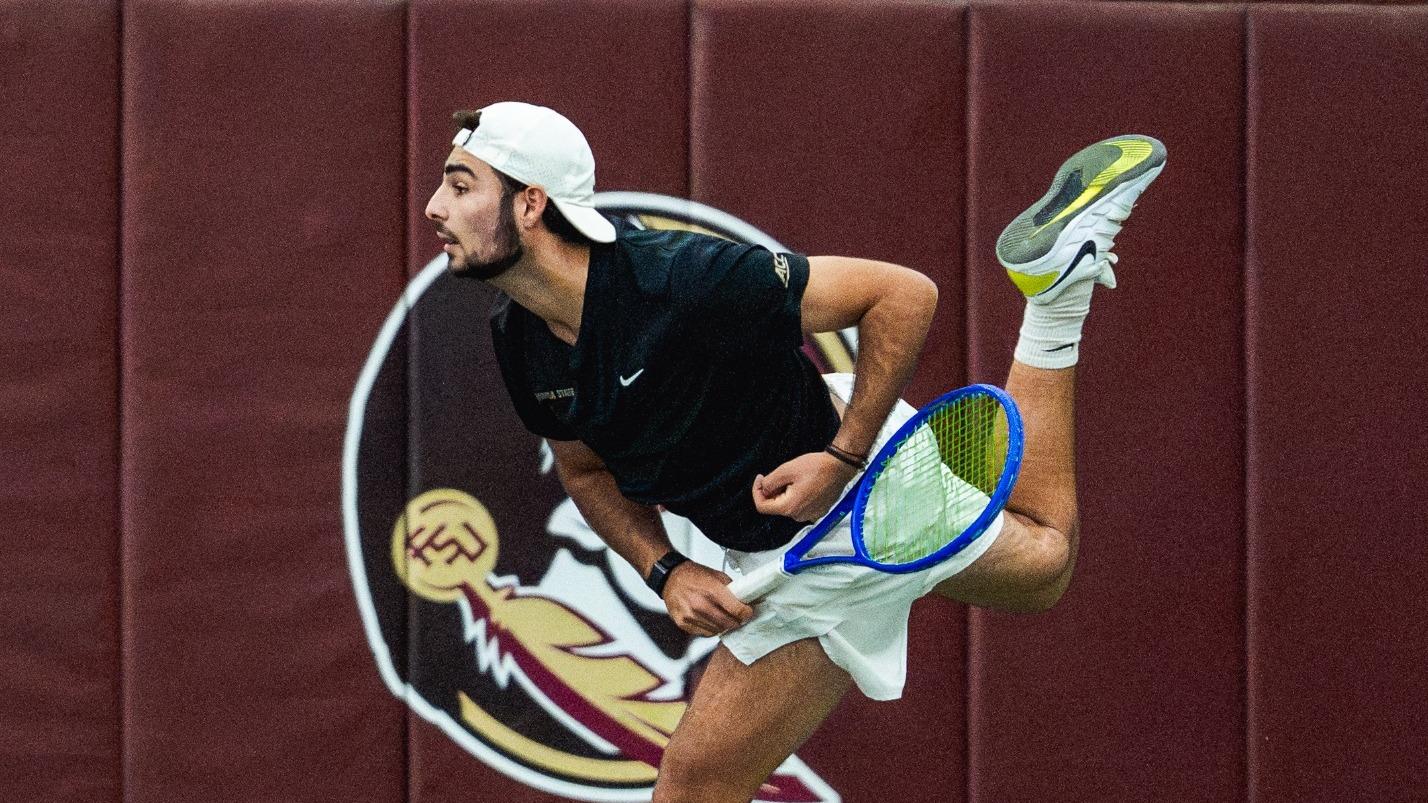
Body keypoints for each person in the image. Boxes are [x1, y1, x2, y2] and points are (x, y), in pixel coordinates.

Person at [423, 101, 1164, 803]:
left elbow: (902, 295)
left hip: (847, 517)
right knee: (1042, 567)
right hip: (775, 531)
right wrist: (666, 568)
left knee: (693, 787)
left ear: (531, 204)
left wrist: (842, 457)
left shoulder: (681, 279)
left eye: (461, 186)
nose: (435, 207)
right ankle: (1058, 292)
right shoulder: (517, 339)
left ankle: (1058, 295)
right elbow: (585, 471)